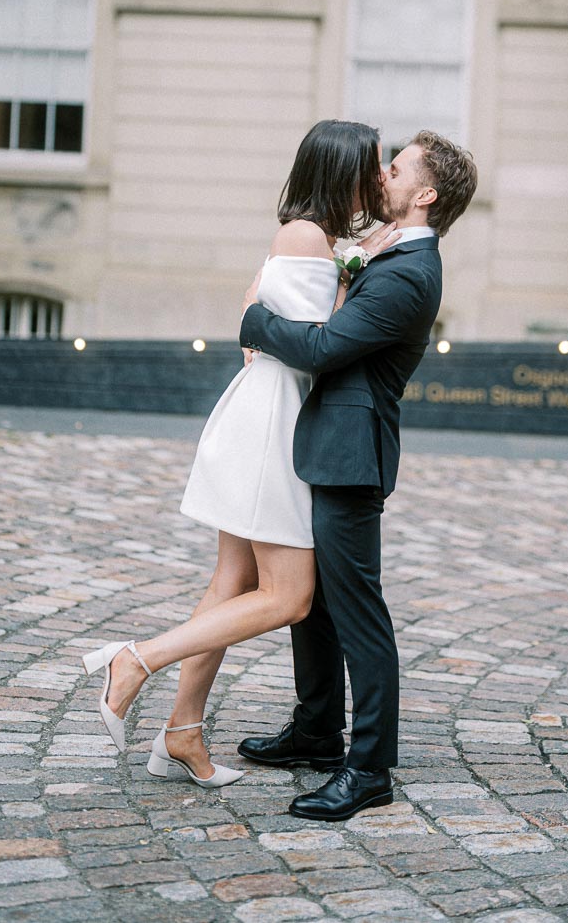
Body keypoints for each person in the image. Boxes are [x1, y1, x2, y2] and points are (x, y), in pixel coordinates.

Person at [82, 119, 400, 785]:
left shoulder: (314, 237)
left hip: (270, 411)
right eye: (374, 165)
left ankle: (183, 733)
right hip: (274, 425)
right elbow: (321, 343)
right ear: (342, 169)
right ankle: (134, 660)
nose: (381, 177)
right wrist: (361, 265)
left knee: (232, 581)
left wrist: (349, 262)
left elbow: (273, 315)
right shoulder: (310, 236)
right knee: (288, 597)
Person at [235, 131, 477, 821]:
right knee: (310, 599)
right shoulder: (385, 250)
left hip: (352, 453)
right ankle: (316, 731)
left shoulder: (410, 273)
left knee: (357, 612)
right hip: (326, 443)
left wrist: (253, 317)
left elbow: (324, 348)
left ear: (425, 194)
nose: (381, 177)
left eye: (395, 170)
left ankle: (368, 768)